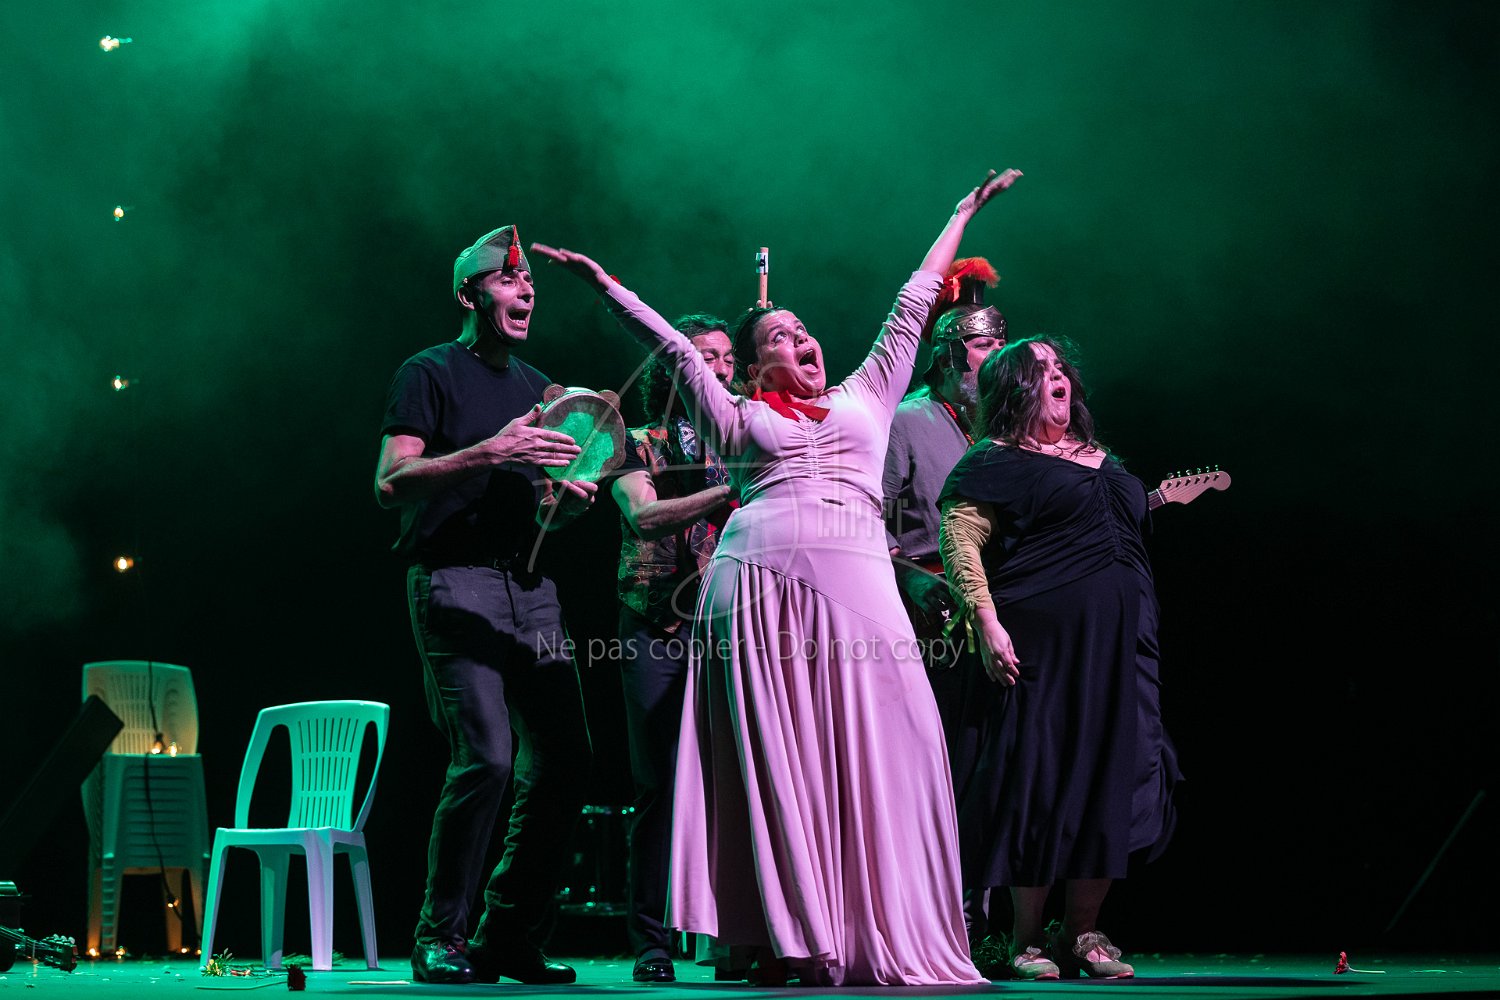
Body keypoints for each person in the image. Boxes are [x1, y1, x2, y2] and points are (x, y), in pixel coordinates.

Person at [531, 165, 1022, 987]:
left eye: (802, 330)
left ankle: (872, 923)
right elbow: (671, 348)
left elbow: (913, 299)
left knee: (889, 743)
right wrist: (603, 283)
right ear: (756, 367)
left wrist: (962, 212)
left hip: (860, 585)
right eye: (779, 338)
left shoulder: (869, 392)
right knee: (776, 762)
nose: (800, 340)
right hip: (758, 589)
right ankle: (783, 934)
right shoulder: (737, 416)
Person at [374, 225, 597, 986]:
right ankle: (440, 935)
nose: (525, 289)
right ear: (469, 294)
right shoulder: (429, 372)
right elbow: (390, 482)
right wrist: (489, 452)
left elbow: (546, 507)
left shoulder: (543, 391)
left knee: (566, 760)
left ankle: (508, 933)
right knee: (489, 758)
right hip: (453, 580)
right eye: (508, 279)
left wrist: (566, 506)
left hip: (532, 591)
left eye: (530, 280)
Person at [937, 334, 1182, 981]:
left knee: (1114, 772)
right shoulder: (994, 460)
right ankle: (1024, 938)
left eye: (1060, 365)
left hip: (1124, 643)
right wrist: (986, 622)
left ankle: (1084, 932)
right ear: (1014, 388)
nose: (1058, 374)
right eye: (1041, 367)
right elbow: (960, 541)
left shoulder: (1104, 458)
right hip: (1043, 647)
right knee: (1040, 779)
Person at [880, 256, 1007, 972]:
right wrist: (909, 580)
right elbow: (863, 521)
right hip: (927, 618)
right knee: (942, 768)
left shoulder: (1001, 427)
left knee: (993, 768)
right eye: (986, 345)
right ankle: (935, 920)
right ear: (953, 352)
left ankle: (985, 921)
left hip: (993, 612)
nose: (999, 356)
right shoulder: (907, 420)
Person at [610, 314, 739, 984]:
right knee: (659, 782)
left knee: (732, 781)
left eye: (727, 357)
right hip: (655, 624)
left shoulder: (741, 438)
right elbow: (642, 515)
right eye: (704, 356)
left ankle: (733, 935)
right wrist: (728, 491)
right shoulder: (636, 442)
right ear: (673, 366)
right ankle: (651, 941)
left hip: (727, 627)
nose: (719, 368)